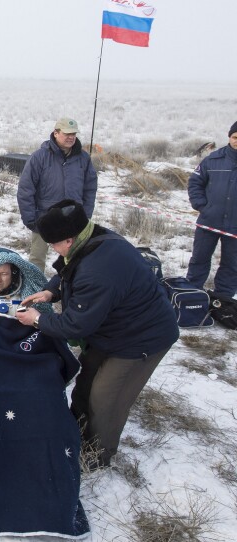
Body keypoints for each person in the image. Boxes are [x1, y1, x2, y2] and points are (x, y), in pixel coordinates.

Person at [15, 199, 179, 469]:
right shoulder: (91, 237)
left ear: (68, 239)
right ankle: (74, 435)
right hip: (111, 329)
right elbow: (68, 266)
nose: (52, 249)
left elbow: (75, 326)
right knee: (86, 384)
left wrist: (38, 319)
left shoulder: (97, 271)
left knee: (106, 398)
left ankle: (95, 456)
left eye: (53, 244)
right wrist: (51, 290)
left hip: (140, 339)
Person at [17, 117, 98, 271]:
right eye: (67, 133)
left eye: (73, 134)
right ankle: (35, 291)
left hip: (73, 218)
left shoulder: (83, 158)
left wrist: (85, 214)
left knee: (74, 258)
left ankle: (69, 290)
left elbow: (90, 188)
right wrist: (30, 219)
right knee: (37, 258)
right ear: (56, 133)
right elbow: (25, 189)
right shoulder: (39, 157)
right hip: (44, 217)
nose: (71, 137)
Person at [185, 121, 237, 298]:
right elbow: (195, 182)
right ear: (229, 137)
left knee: (231, 265)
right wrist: (202, 205)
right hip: (209, 221)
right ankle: (191, 295)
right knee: (199, 259)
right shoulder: (213, 159)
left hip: (235, 227)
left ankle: (223, 302)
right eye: (235, 137)